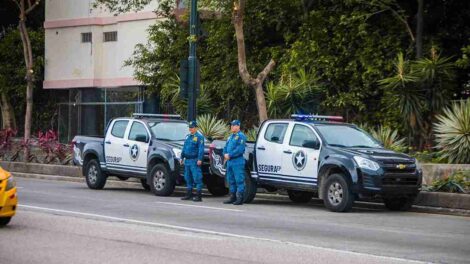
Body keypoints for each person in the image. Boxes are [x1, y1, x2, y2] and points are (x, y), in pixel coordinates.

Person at [223, 120, 247, 205]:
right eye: (231, 125)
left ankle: (240, 198)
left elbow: (240, 149)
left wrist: (230, 155)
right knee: (231, 180)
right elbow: (225, 147)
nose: (232, 127)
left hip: (237, 161)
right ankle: (232, 197)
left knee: (239, 180)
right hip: (230, 162)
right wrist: (225, 154)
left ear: (238, 126)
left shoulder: (241, 136)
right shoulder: (230, 137)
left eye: (234, 125)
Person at [180, 120, 205, 202]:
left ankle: (198, 195)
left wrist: (200, 159)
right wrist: (181, 157)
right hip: (187, 160)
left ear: (196, 128)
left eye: (192, 127)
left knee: (197, 177)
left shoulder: (199, 137)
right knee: (188, 177)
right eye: (190, 127)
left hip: (194, 160)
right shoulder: (188, 136)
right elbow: (184, 148)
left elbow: (201, 149)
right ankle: (189, 194)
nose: (191, 129)